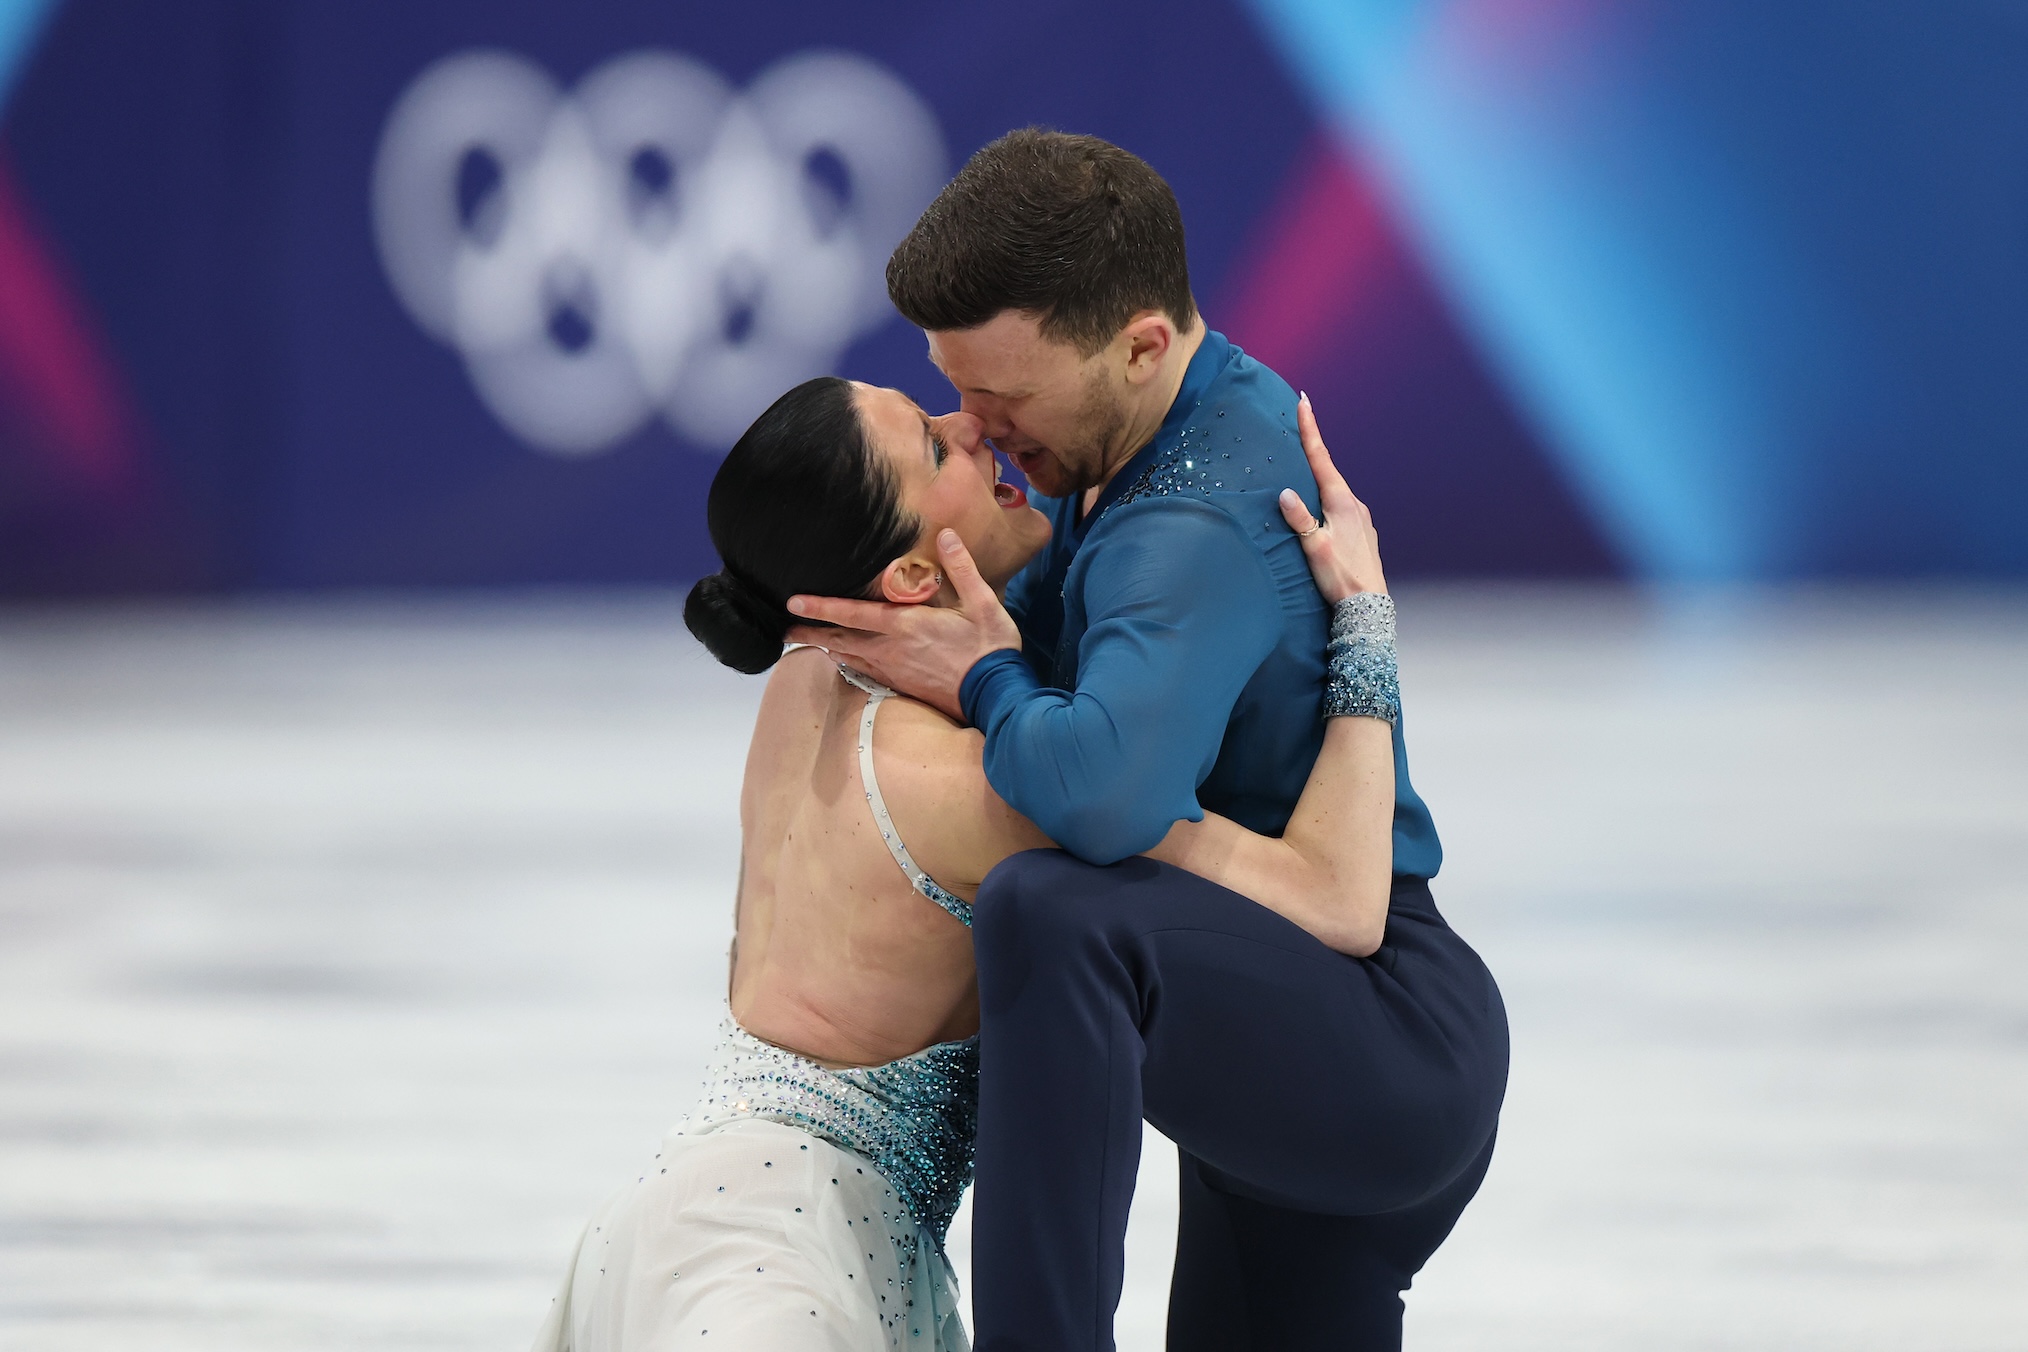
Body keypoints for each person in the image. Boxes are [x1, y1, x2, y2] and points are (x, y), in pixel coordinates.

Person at [786, 130, 1509, 1351]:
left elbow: (1104, 796)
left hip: (1376, 1045)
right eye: (960, 395)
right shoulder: (1140, 428)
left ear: (1140, 343)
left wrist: (991, 678)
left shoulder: (1192, 522)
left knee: (1053, 910)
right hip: (1286, 1029)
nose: (982, 430)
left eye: (1006, 402)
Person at [530, 372, 1411, 1352]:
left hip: (665, 1230)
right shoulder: (975, 790)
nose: (972, 424)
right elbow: (1334, 897)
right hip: (780, 1267)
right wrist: (1365, 621)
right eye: (938, 448)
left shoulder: (802, 675)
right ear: (906, 580)